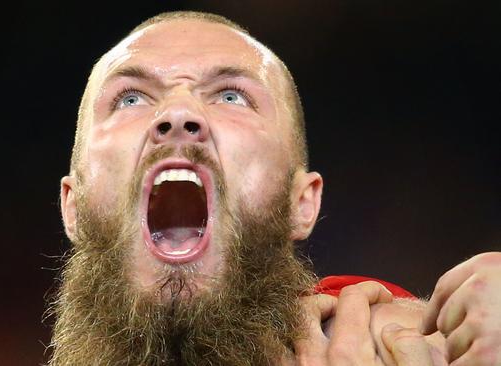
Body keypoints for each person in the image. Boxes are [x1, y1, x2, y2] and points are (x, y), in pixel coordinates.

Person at [48, 11, 501, 365]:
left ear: (300, 203)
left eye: (230, 96)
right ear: (73, 205)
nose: (179, 114)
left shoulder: (391, 341)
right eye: (131, 98)